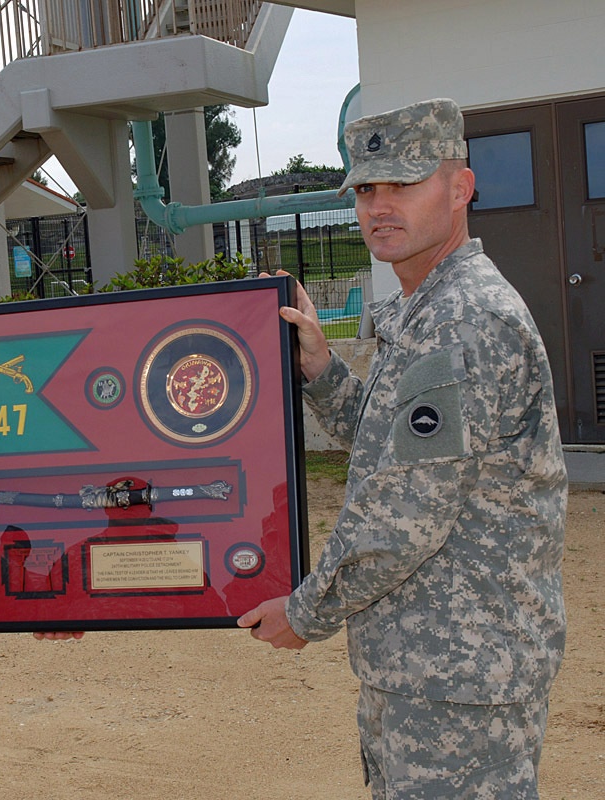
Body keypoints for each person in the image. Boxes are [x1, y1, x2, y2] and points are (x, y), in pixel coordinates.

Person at [238, 98, 567, 799]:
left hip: (460, 682)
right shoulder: (426, 314)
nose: (379, 206)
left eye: (403, 184)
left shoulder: (464, 321)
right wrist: (321, 371)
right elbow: (394, 454)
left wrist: (305, 613)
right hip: (428, 667)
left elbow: (402, 519)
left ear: (459, 188)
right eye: (365, 189)